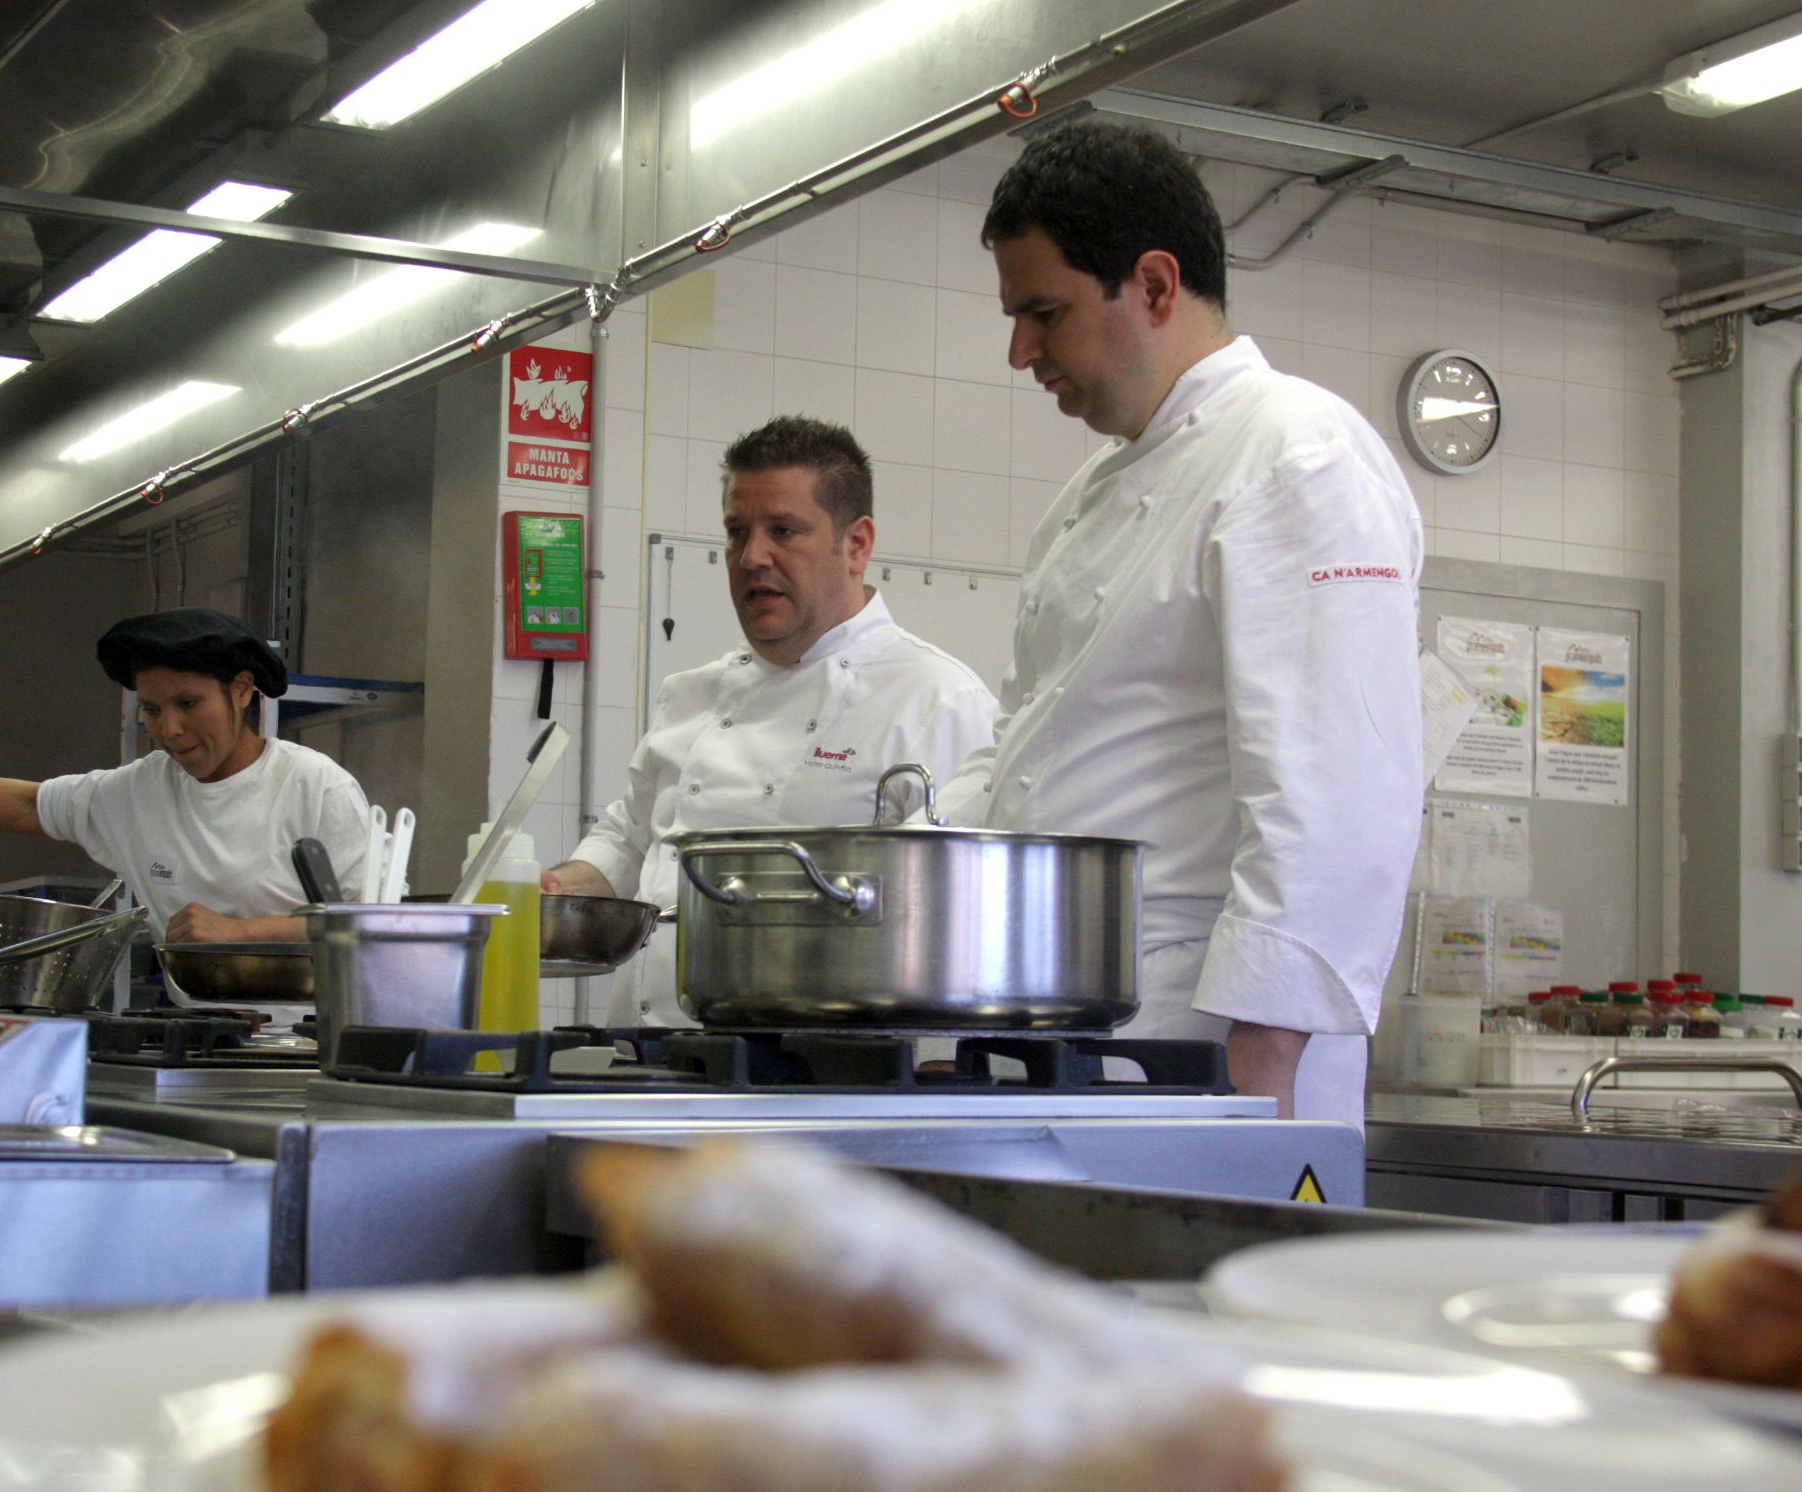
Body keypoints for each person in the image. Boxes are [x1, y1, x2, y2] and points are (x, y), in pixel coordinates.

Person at [939, 120, 1424, 1124]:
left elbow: (1337, 788)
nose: (1020, 350)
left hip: (1210, 1050)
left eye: (1043, 311)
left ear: (1155, 286)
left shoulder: (1297, 450)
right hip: (1068, 1023)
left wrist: (1264, 1064)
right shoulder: (1083, 496)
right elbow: (1032, 754)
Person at [546, 415, 998, 1025]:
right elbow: (629, 840)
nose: (751, 557)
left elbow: (963, 923)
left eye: (783, 531)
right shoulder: (690, 694)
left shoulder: (935, 699)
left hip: (820, 1081)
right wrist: (563, 889)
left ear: (856, 544)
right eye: (737, 532)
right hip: (648, 1065)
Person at [0, 608, 374, 947]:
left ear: (243, 690)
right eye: (152, 710)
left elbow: (375, 927)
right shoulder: (140, 790)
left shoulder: (312, 786)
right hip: (202, 1042)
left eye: (188, 703)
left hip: (309, 1042)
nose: (170, 729)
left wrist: (239, 932)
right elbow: (25, 804)